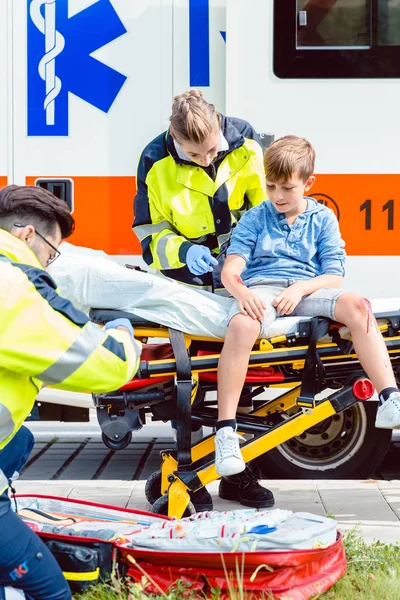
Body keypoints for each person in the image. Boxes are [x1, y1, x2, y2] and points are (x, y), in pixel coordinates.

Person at [215, 135, 400, 476]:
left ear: (308, 183)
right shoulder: (255, 218)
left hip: (308, 290)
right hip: (263, 288)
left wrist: (300, 289)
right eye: (270, 186)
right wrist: (242, 293)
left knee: (358, 306)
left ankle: (390, 398)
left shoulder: (323, 218)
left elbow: (334, 275)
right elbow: (231, 270)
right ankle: (225, 433)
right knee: (241, 325)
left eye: (287, 187)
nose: (277, 196)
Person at [133, 89, 273, 510]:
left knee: (246, 375)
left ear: (220, 128)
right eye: (194, 155)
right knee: (188, 385)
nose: (207, 160)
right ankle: (191, 477)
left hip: (243, 275)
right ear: (175, 141)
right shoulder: (153, 160)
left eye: (212, 150)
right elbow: (149, 236)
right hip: (187, 285)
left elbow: (268, 210)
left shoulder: (247, 142)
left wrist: (239, 257)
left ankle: (240, 477)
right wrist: (183, 252)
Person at [0, 185, 141, 600]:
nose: (50, 262)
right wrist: (120, 333)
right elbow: (106, 363)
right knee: (51, 591)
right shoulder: (15, 285)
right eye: (52, 250)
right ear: (27, 235)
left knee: (20, 439)